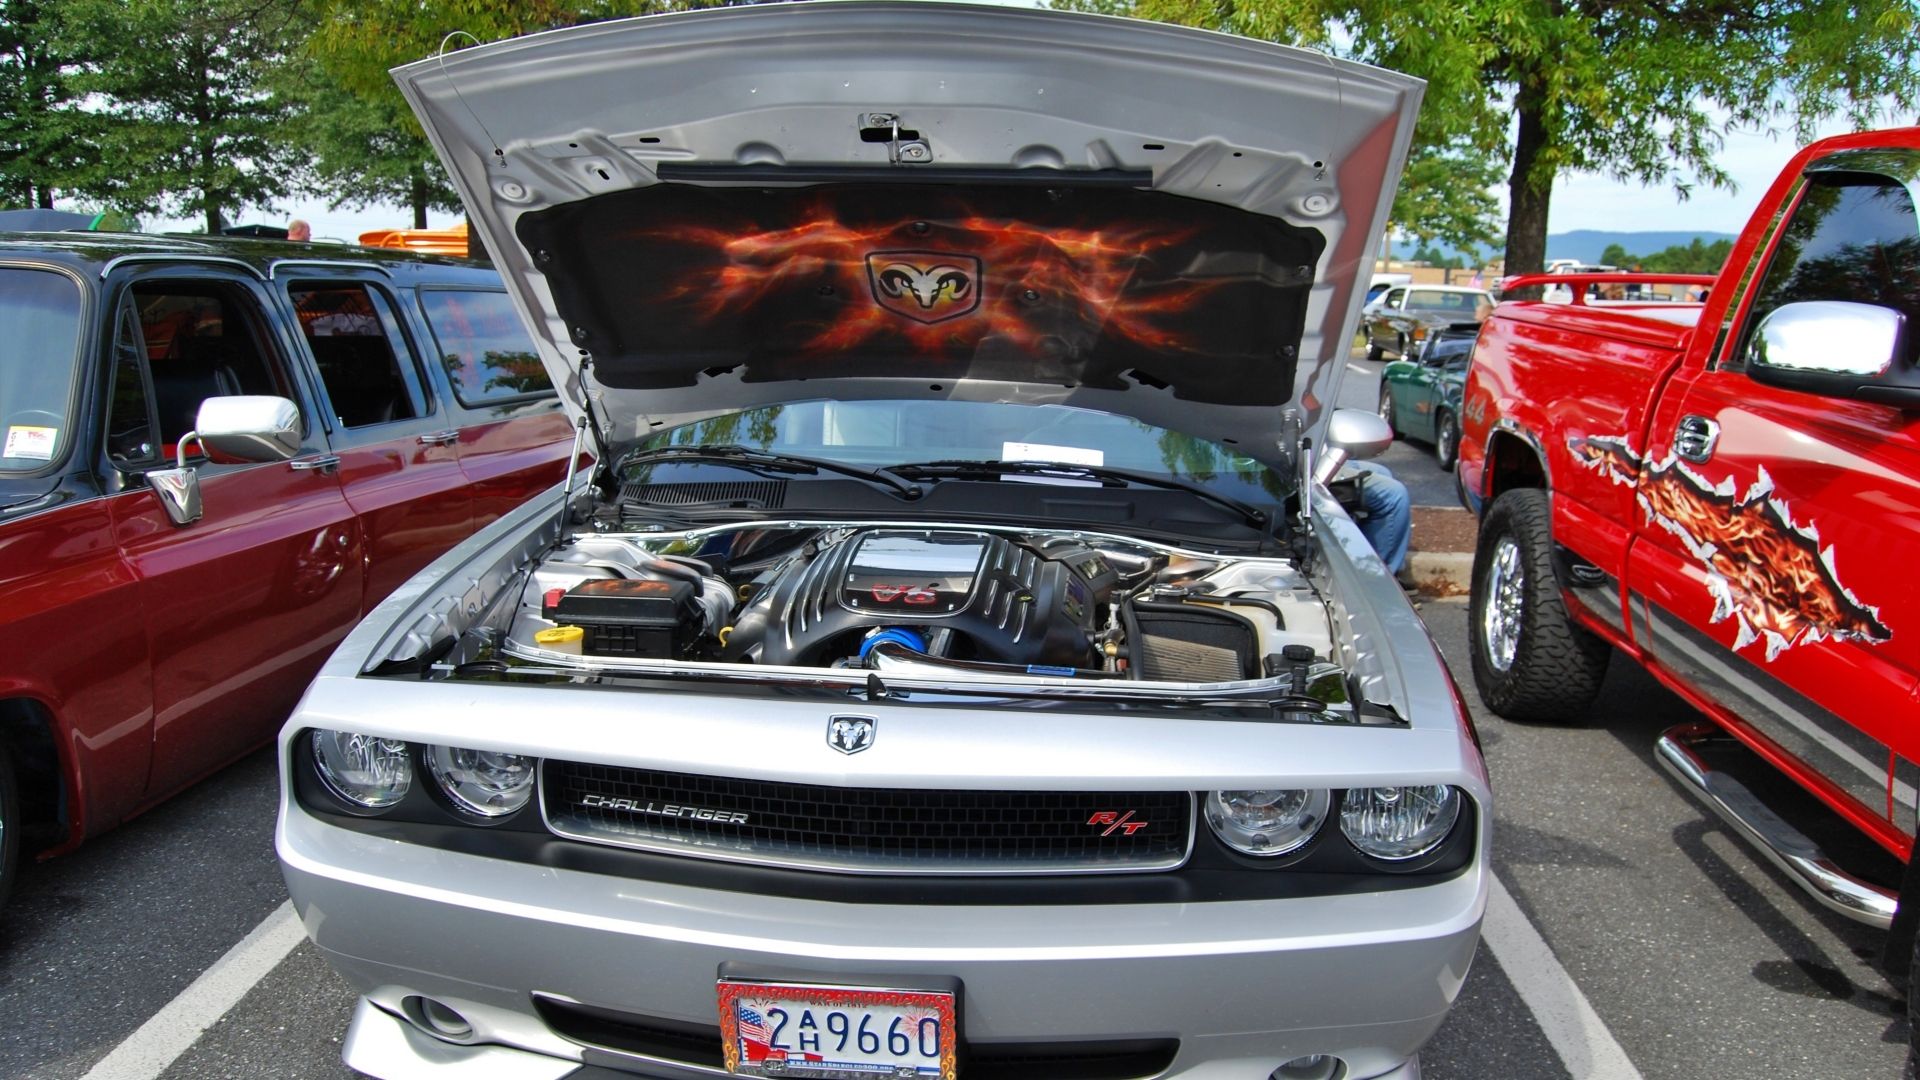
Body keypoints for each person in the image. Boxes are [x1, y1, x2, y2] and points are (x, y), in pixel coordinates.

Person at [1348, 459, 1412, 585]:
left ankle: (1380, 567)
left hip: (1320, 457)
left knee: (1383, 472)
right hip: (1310, 469)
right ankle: (1376, 580)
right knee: (1395, 496)